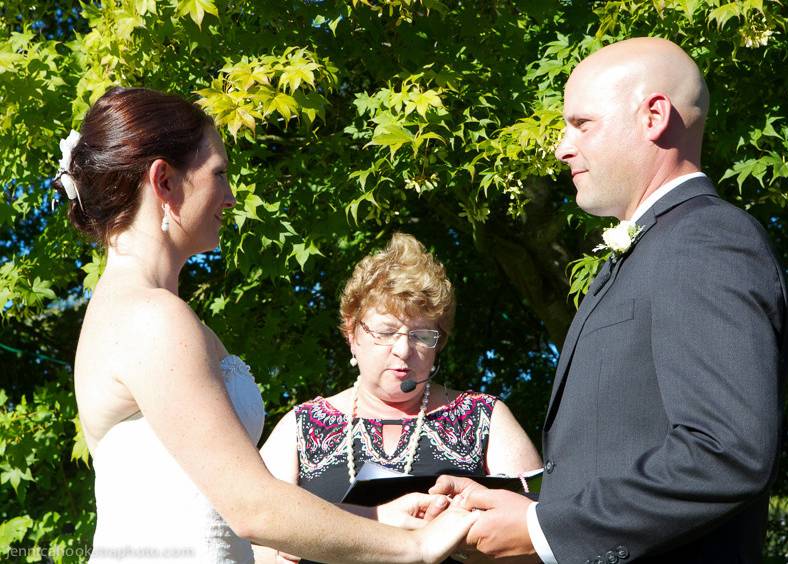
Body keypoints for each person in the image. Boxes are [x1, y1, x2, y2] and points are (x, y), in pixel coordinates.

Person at [60, 86, 477, 563]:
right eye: (219, 174)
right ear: (164, 182)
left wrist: (379, 517)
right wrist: (414, 547)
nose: (231, 197)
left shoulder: (137, 311)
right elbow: (252, 508)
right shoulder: (151, 318)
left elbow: (223, 505)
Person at [431, 37, 788, 563]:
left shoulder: (707, 240)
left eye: (581, 124)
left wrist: (539, 528)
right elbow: (619, 451)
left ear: (653, 116)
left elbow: (725, 452)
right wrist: (520, 505)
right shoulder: (655, 247)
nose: (561, 147)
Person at [254, 233, 542, 563]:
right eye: (386, 332)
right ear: (352, 334)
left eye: (421, 336)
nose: (403, 350)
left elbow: (536, 537)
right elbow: (258, 540)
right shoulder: (301, 427)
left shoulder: (485, 417)